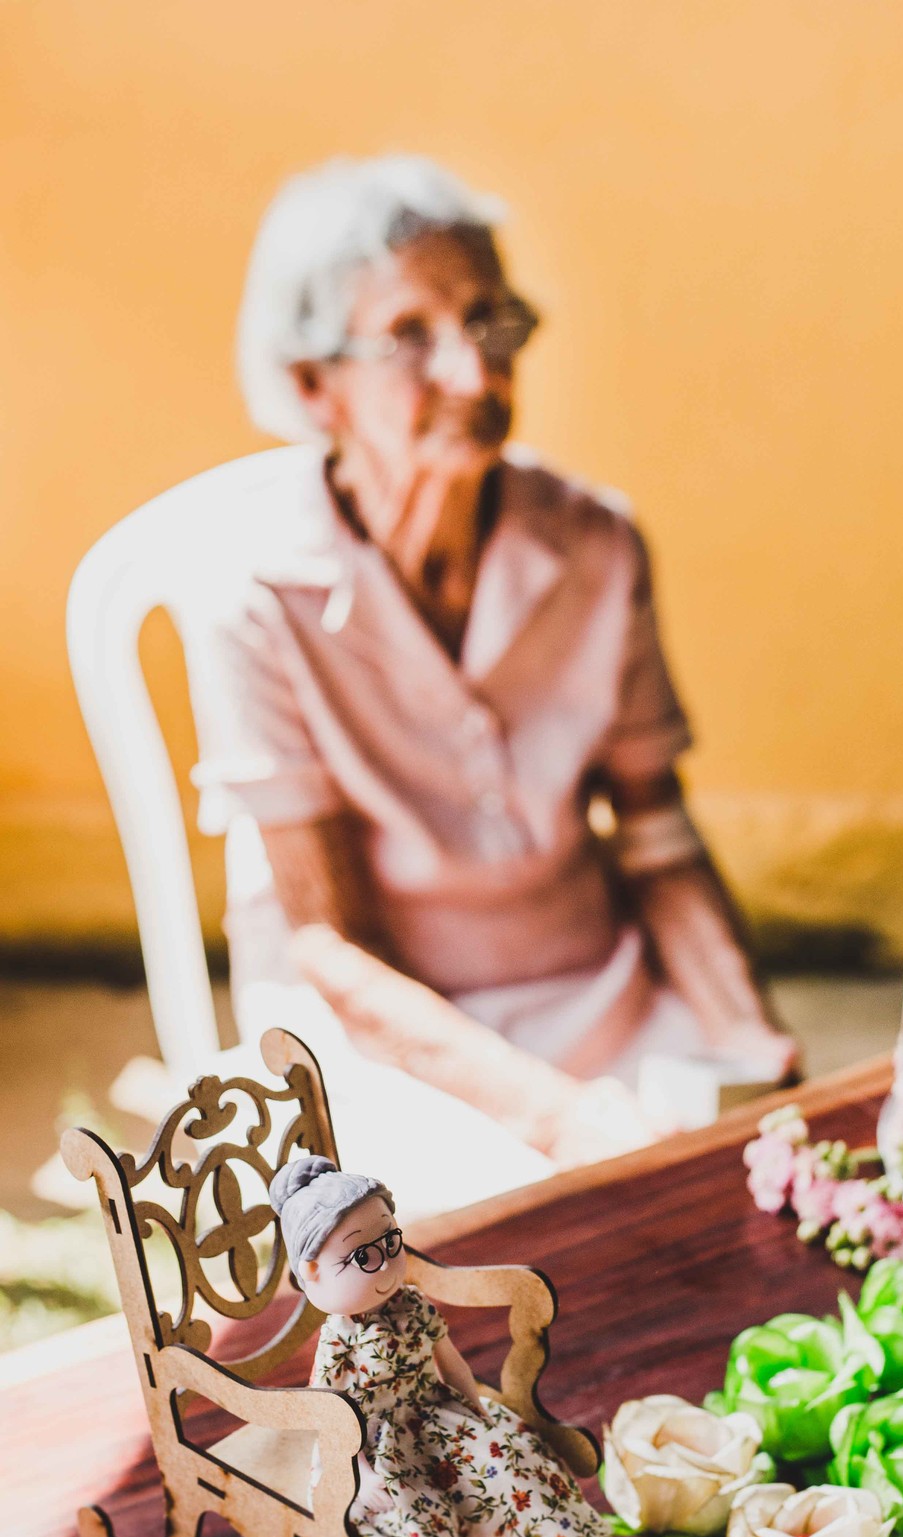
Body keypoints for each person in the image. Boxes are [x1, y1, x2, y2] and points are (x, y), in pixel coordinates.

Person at [195, 154, 795, 1188]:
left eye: (490, 323)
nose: (474, 374)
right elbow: (327, 949)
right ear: (312, 384)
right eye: (410, 337)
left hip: (596, 989)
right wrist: (553, 1119)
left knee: (742, 1182)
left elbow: (656, 832)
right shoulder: (252, 592)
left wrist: (756, 1046)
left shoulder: (597, 543)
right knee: (461, 1261)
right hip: (383, 1027)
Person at [270, 1154, 618, 1537]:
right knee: (426, 1536)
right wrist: (359, 1476)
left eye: (390, 1241)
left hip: (434, 1417)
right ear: (311, 1274)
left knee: (511, 1469)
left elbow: (447, 1357)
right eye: (361, 1255)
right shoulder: (340, 1344)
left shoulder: (410, 1303)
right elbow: (329, 1416)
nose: (384, 1264)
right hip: (376, 1451)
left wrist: (477, 1408)